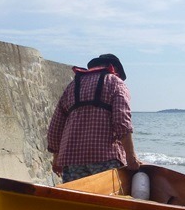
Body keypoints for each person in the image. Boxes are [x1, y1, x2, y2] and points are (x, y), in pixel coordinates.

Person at [47, 53, 141, 183]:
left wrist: (56, 156)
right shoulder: (116, 83)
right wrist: (131, 157)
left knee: (77, 201)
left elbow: (56, 125)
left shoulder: (72, 86)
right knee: (107, 201)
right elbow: (122, 122)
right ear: (114, 68)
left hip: (72, 160)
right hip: (105, 158)